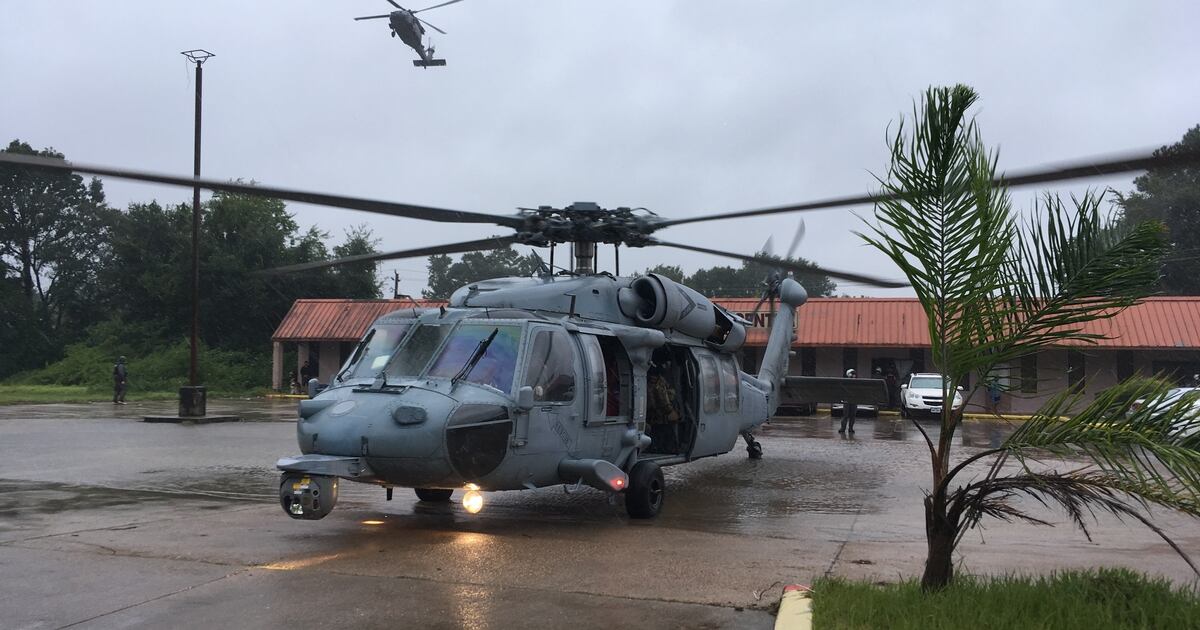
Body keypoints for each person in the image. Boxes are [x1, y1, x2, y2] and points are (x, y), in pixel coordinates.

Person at [839, 368, 857, 434]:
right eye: (852, 374)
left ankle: (851, 428)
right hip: (847, 400)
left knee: (853, 415)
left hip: (854, 400)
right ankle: (843, 428)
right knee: (845, 415)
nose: (854, 375)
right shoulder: (845, 382)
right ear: (849, 374)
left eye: (854, 374)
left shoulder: (856, 382)